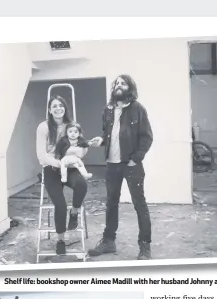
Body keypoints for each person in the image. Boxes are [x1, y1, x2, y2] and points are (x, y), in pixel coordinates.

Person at [88, 74, 153, 261]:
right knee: (111, 203)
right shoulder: (108, 110)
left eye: (123, 83)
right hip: (112, 164)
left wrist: (135, 158)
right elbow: (107, 134)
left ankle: (145, 246)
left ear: (129, 87)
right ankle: (109, 242)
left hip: (131, 165)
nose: (119, 85)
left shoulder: (137, 109)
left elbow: (147, 137)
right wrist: (100, 140)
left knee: (139, 205)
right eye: (116, 83)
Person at [36, 94, 89, 256]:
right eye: (54, 106)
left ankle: (74, 212)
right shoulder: (43, 127)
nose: (58, 108)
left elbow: (83, 148)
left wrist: (78, 153)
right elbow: (41, 155)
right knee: (59, 205)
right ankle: (61, 240)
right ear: (50, 110)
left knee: (82, 184)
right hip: (52, 168)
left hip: (70, 166)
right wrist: (59, 163)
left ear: (65, 109)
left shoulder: (70, 126)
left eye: (61, 105)